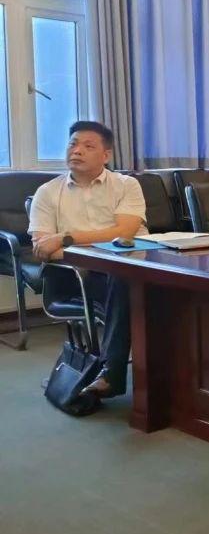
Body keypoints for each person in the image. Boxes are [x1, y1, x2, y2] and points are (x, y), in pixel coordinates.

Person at [28, 121, 146, 402]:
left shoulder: (127, 185)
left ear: (106, 155)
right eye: (73, 144)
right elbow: (42, 249)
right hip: (80, 277)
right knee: (124, 277)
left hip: (135, 269)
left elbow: (125, 232)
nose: (77, 150)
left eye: (88, 146)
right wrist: (101, 249)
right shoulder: (47, 192)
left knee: (137, 278)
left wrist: (66, 238)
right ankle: (112, 372)